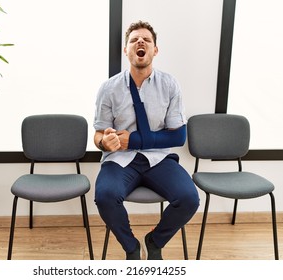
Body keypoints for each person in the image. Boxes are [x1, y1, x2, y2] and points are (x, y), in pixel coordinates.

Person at [93, 20, 199, 260]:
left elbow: (178, 136)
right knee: (105, 197)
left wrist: (137, 140)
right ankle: (131, 247)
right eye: (133, 40)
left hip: (158, 158)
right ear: (126, 50)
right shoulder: (108, 88)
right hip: (119, 159)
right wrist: (103, 142)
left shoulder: (170, 85)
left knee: (189, 199)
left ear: (155, 50)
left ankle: (154, 240)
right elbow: (99, 133)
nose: (140, 43)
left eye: (146, 40)